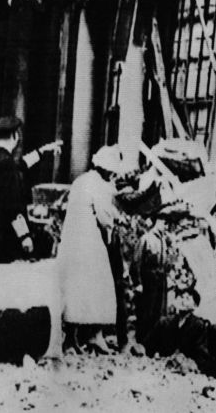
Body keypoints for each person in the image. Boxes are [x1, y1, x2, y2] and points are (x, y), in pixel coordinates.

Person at [57, 145, 130, 354]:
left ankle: (71, 338)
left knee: (74, 290)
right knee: (98, 288)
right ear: (107, 170)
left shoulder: (81, 181)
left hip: (71, 241)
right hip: (89, 242)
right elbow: (105, 217)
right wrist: (116, 222)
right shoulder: (100, 186)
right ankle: (94, 336)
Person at [0, 116, 61, 264]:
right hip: (9, 236)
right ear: (15, 136)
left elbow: (19, 164)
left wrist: (43, 150)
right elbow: (13, 205)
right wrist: (24, 235)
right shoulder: (8, 165)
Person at [144, 289, 216, 381]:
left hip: (187, 370)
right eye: (181, 297)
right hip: (164, 366)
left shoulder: (198, 325)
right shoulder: (165, 321)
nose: (183, 300)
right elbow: (149, 344)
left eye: (187, 298)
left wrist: (187, 363)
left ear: (195, 306)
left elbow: (200, 353)